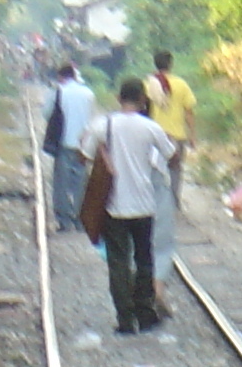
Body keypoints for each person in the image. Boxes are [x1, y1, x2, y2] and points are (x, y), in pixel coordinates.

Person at [81, 78, 177, 334]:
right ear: (143, 100)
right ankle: (145, 314)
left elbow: (84, 156)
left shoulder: (103, 125)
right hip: (144, 206)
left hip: (114, 207)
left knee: (118, 263)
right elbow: (171, 155)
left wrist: (103, 151)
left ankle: (125, 319)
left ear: (118, 98)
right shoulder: (151, 128)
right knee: (145, 260)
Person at [45, 62, 95, 232]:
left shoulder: (58, 92)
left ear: (61, 77)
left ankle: (64, 221)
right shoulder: (89, 93)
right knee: (81, 182)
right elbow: (91, 118)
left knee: (61, 183)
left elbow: (46, 114)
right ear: (74, 75)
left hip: (64, 142)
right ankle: (80, 220)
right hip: (83, 145)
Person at [148, 49, 197, 210]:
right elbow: (189, 112)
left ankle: (155, 202)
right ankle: (174, 203)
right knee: (175, 169)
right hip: (177, 135)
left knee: (153, 169)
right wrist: (192, 135)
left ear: (155, 63)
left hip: (154, 134)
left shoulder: (148, 84)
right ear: (170, 64)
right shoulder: (181, 84)